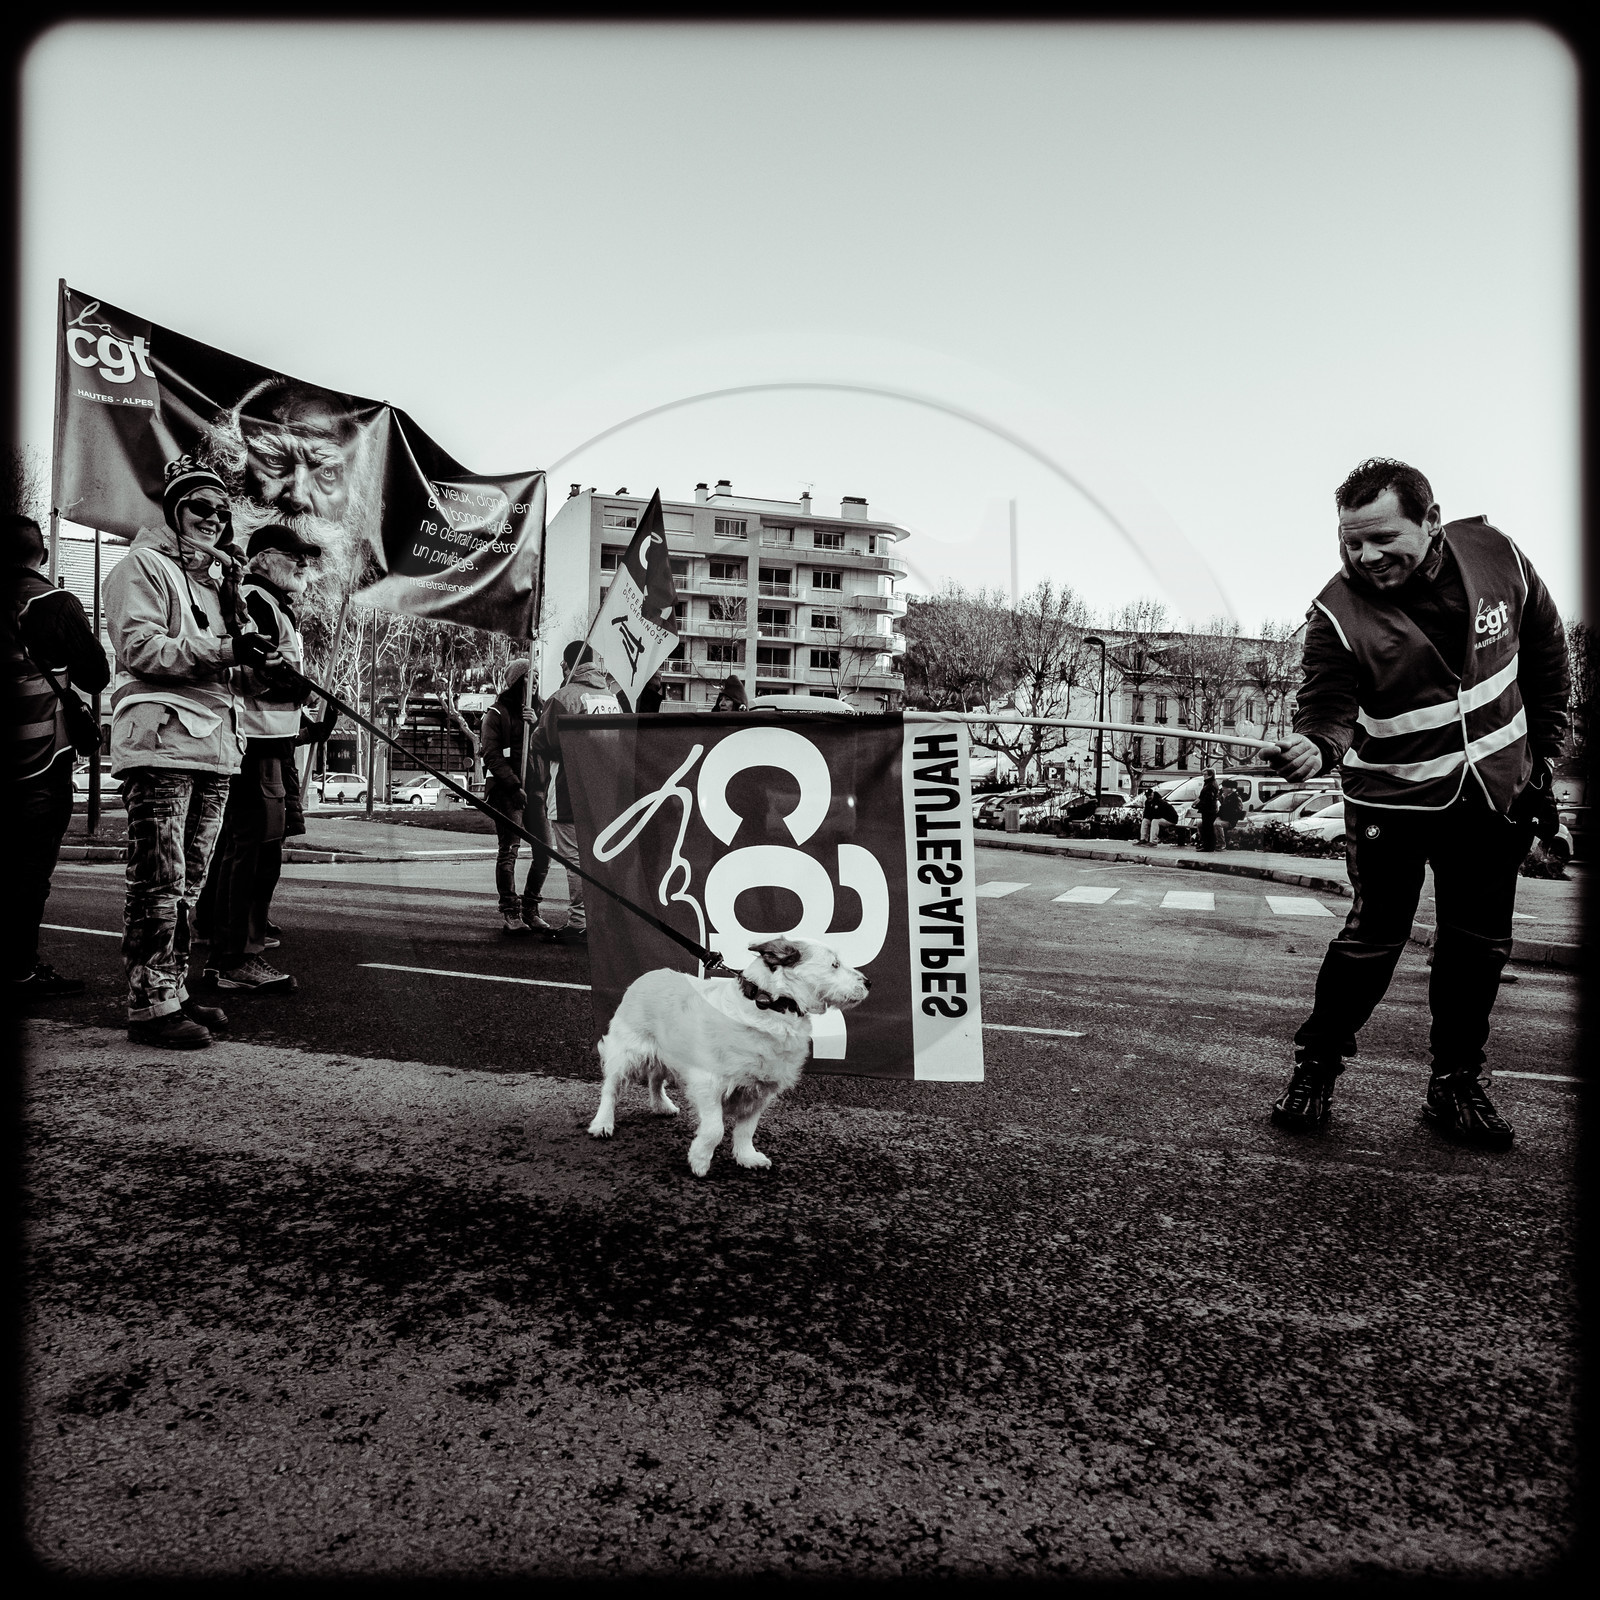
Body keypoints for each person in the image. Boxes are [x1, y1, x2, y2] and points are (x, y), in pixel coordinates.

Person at [1262, 458, 1569, 1150]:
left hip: (1494, 798)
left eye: (1381, 538)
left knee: (1477, 948)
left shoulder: (1500, 558)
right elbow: (1327, 707)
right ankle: (1316, 1069)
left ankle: (1455, 1085)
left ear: (1431, 522)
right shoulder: (1334, 614)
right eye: (1350, 542)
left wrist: (1546, 753)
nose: (1364, 557)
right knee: (1371, 942)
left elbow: (1547, 651)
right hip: (1390, 804)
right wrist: (1317, 744)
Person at [101, 456, 281, 1046]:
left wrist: (262, 668)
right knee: (158, 880)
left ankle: (172, 990)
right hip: (160, 746)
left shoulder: (218, 583)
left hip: (215, 749)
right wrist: (230, 649)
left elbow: (231, 673)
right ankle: (148, 1005)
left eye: (222, 513)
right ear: (176, 509)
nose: (212, 519)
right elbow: (143, 649)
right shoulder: (141, 567)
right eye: (201, 507)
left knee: (190, 885)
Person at [193, 523, 320, 992]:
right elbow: (257, 669)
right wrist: (298, 684)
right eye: (294, 556)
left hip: (268, 738)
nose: (304, 564)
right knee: (257, 850)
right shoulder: (258, 601)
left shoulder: (272, 604)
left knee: (240, 846)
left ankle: (221, 937)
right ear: (263, 558)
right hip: (257, 742)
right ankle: (236, 958)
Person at [6, 513, 111, 999]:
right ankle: (19, 970)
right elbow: (95, 675)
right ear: (42, 555)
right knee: (28, 868)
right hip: (38, 756)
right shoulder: (51, 601)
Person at [528, 641, 623, 944]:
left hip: (570, 790)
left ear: (566, 666)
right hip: (605, 791)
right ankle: (602, 919)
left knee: (575, 860)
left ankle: (579, 922)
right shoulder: (610, 698)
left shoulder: (563, 697)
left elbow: (542, 743)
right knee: (599, 858)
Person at [480, 659, 554, 936]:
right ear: (515, 682)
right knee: (509, 851)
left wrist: (537, 727)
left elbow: (552, 748)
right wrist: (513, 785)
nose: (534, 682)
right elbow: (491, 754)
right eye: (528, 677)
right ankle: (510, 911)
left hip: (536, 792)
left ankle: (531, 908)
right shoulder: (496, 713)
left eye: (537, 677)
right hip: (507, 793)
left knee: (545, 851)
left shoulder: (542, 711)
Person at [1195, 769, 1219, 851]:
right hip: (1209, 809)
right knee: (1207, 828)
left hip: (1208, 810)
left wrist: (1198, 805)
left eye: (1205, 774)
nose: (1204, 776)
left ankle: (1208, 846)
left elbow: (1208, 799)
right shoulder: (1210, 783)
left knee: (1208, 828)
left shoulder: (1210, 785)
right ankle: (1208, 846)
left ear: (1210, 775)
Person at [1217, 780, 1246, 846]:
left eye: (1225, 787)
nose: (1223, 789)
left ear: (1231, 789)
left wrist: (1221, 816)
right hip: (1223, 819)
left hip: (1230, 821)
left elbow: (1235, 812)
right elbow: (1221, 810)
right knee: (1202, 823)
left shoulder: (1236, 798)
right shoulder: (1225, 797)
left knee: (1217, 824)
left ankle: (1221, 844)